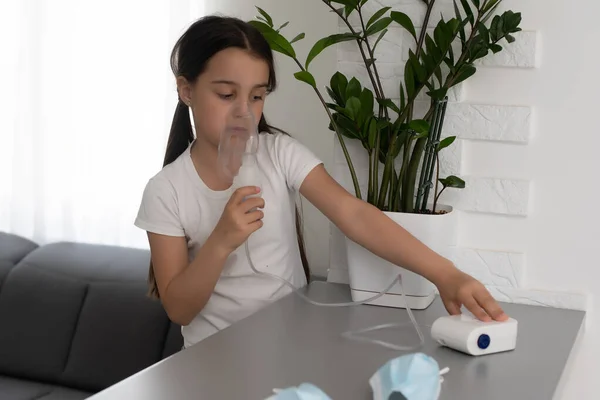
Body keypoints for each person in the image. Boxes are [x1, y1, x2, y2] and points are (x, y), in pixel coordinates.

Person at [134, 15, 508, 349]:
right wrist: (220, 243)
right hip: (211, 364)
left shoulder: (280, 154)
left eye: (258, 96)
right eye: (226, 94)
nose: (243, 112)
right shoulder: (166, 191)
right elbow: (179, 308)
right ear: (186, 91)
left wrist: (446, 274)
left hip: (288, 351)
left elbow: (354, 215)